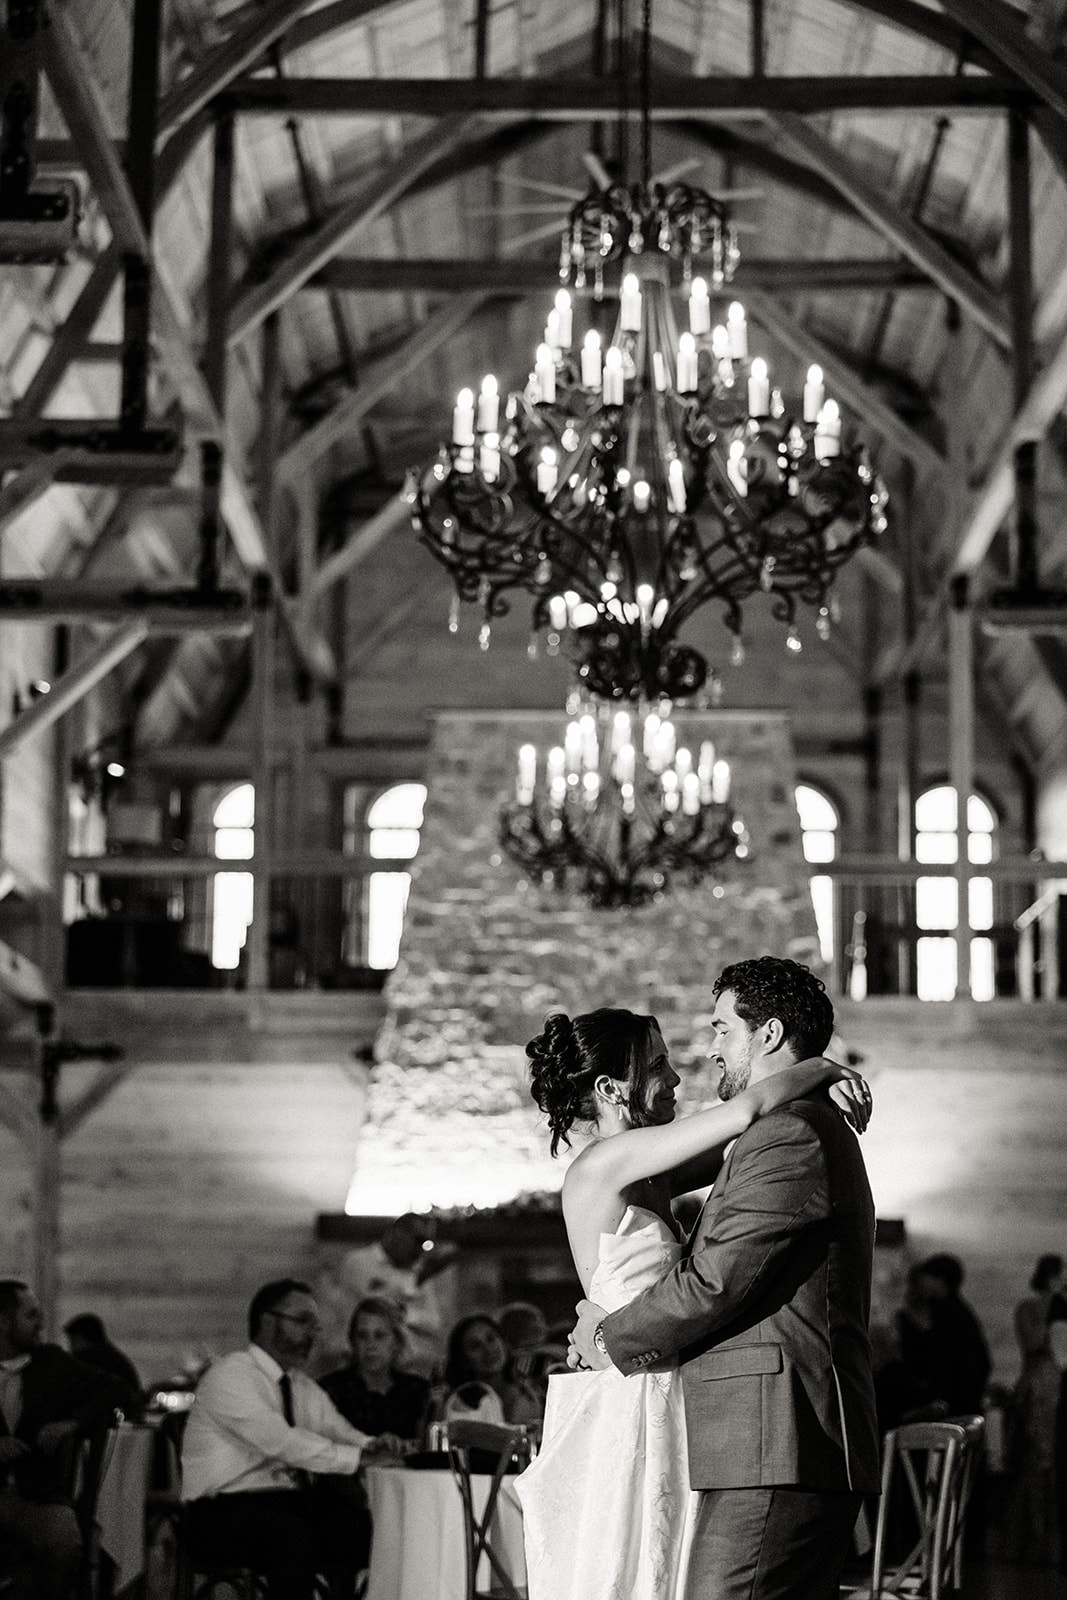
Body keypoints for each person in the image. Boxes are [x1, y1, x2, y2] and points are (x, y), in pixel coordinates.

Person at [560, 958, 880, 1600]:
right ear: (610, 1088)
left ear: (767, 1035)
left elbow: (713, 1281)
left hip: (764, 1433)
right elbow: (737, 1127)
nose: (701, 1056)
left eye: (722, 1030)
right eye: (657, 1066)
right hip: (675, 1407)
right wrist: (822, 1069)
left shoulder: (787, 1133)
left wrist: (606, 1340)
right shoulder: (612, 1163)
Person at [181, 1276, 401, 1598]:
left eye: (315, 1325)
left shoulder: (300, 1385)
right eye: (303, 1321)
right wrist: (358, 1458)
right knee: (290, 1531)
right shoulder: (231, 1375)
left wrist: (374, 1445)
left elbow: (338, 1430)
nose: (313, 1333)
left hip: (282, 1505)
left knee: (356, 1524)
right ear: (266, 1322)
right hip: (218, 1512)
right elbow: (281, 1442)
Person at [0, 1279, 135, 1600]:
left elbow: (118, 1392)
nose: (41, 1325)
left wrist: (74, 1423)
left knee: (63, 1539)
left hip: (36, 1494)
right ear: (3, 1322)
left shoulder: (51, 1364)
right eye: (31, 1316)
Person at [337, 1213, 457, 1377]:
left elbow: (433, 1322)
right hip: (365, 1365)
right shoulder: (359, 1262)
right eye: (418, 1241)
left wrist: (406, 1313)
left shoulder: (417, 1270)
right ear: (397, 1233)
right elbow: (379, 1308)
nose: (419, 1250)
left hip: (411, 1368)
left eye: (425, 1243)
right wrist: (417, 1281)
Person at [1006, 1252, 1065, 1567]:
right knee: (1033, 1470)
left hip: (1057, 1392)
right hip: (1038, 1394)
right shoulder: (1029, 1308)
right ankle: (1030, 1544)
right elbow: (1034, 1343)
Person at [319, 1295, 432, 1442]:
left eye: (379, 1336)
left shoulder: (419, 1391)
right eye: (362, 1336)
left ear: (396, 1342)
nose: (370, 1345)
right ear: (352, 1341)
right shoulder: (330, 1390)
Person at [443, 1313, 543, 1426]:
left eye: (491, 1339)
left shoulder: (528, 1394)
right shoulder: (459, 1404)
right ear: (463, 1359)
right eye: (475, 1346)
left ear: (503, 1341)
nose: (488, 1350)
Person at [63, 1312, 142, 1398]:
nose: (70, 1346)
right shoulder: (112, 1357)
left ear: (82, 1338)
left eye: (73, 1340)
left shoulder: (88, 1361)